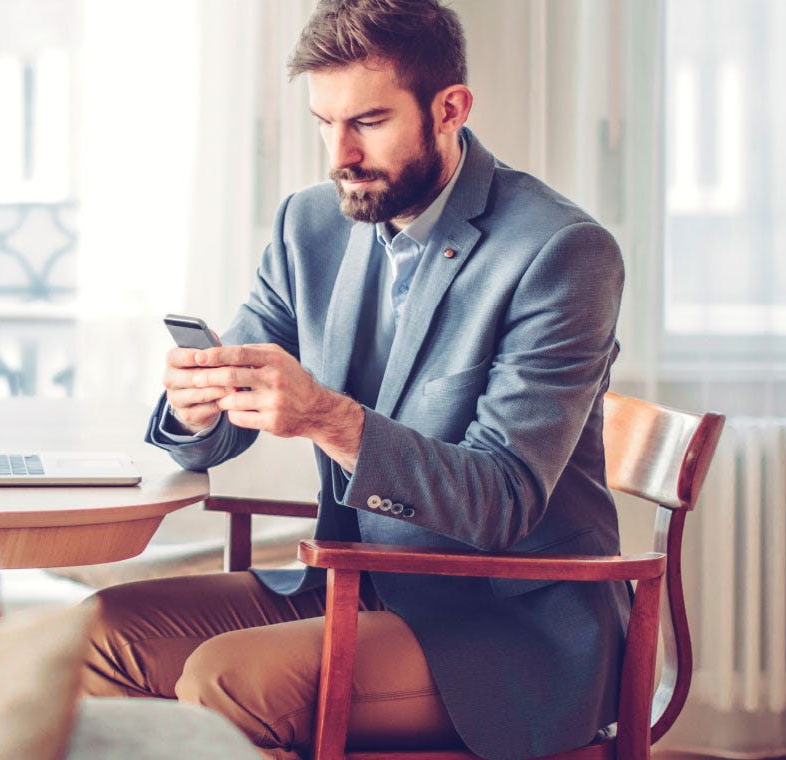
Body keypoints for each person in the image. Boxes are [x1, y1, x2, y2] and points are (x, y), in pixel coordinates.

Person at [80, 1, 627, 758]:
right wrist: (202, 405)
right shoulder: (310, 225)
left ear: (450, 109)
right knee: (98, 635)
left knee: (228, 679)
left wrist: (324, 418)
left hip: (507, 623)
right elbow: (224, 417)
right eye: (323, 123)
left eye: (367, 122)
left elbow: (504, 500)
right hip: (358, 580)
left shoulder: (561, 252)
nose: (339, 153)